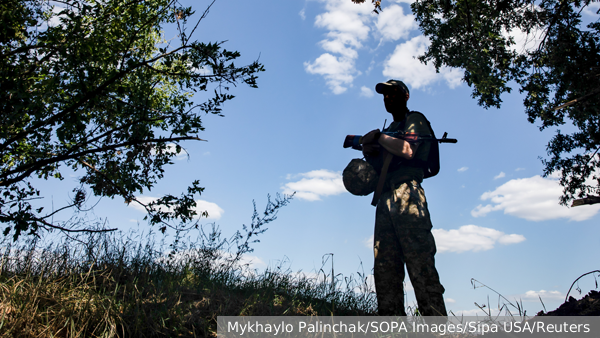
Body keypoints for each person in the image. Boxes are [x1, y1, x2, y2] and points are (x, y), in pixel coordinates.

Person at [361, 79, 447, 317]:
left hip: (407, 193)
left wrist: (378, 138)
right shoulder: (390, 129)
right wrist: (368, 148)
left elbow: (408, 150)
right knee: (385, 267)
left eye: (393, 93)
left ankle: (437, 328)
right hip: (385, 196)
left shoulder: (415, 119)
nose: (388, 98)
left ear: (405, 96)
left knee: (419, 261)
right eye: (384, 95)